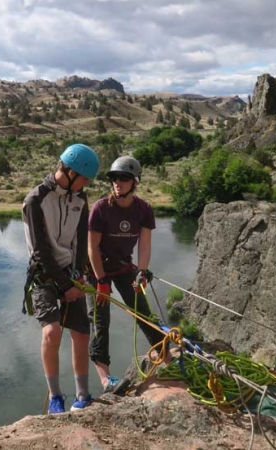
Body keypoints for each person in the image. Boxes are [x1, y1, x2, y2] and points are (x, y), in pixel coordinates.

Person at [22, 143, 100, 413]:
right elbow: (40, 250)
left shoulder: (80, 198)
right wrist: (65, 286)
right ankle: (56, 396)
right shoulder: (35, 200)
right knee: (52, 331)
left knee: (81, 332)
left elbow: (80, 238)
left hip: (70, 271)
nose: (86, 184)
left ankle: (83, 395)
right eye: (85, 178)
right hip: (43, 272)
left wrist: (78, 275)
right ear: (69, 172)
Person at [86, 155, 164, 394]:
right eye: (114, 178)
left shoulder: (143, 209)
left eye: (124, 178)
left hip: (123, 267)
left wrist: (141, 271)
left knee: (142, 309)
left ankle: (165, 357)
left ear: (135, 181)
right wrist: (100, 281)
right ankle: (105, 379)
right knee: (100, 319)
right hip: (96, 268)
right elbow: (92, 248)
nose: (117, 182)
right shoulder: (101, 208)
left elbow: (144, 245)